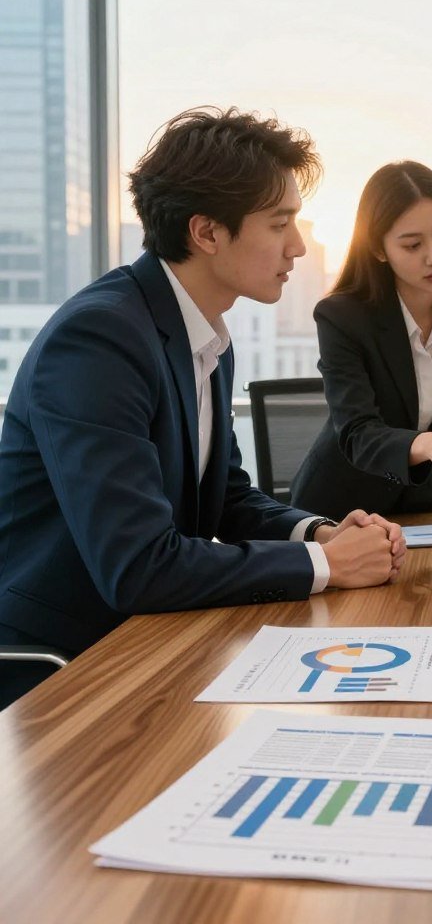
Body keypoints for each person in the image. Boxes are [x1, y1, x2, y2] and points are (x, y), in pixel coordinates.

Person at [0, 108, 406, 707]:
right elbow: (139, 566)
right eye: (279, 223)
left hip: (151, 642)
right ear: (207, 232)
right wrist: (326, 563)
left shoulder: (202, 333)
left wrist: (318, 530)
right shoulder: (99, 340)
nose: (297, 246)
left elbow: (227, 498)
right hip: (64, 666)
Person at [291, 161, 432, 519]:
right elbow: (358, 433)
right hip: (340, 509)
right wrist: (427, 443)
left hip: (421, 503)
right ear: (379, 249)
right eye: (412, 245)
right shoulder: (342, 316)